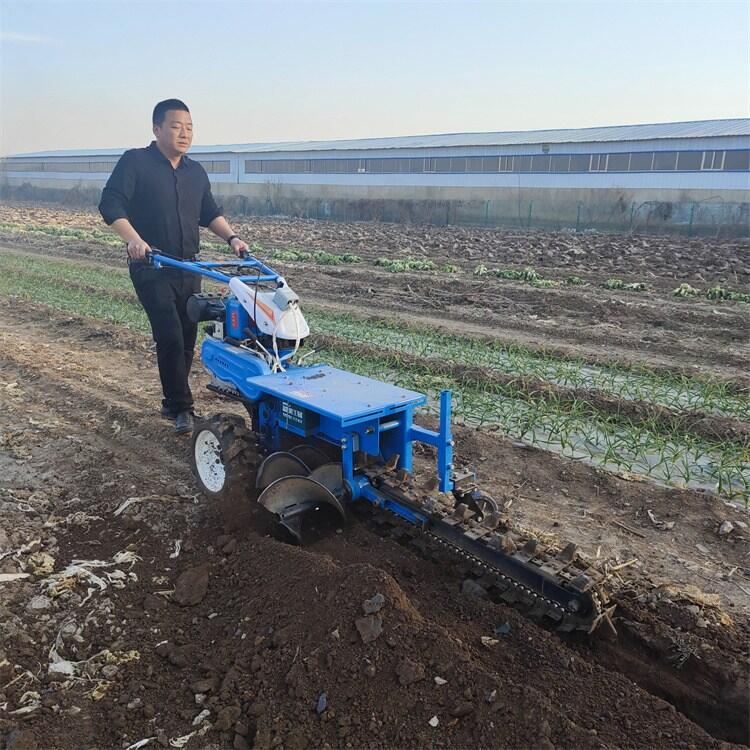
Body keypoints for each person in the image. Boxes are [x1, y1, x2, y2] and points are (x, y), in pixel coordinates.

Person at [99, 99, 248, 435]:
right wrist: (134, 240)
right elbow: (111, 204)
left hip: (188, 266)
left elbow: (209, 212)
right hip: (151, 265)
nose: (184, 133)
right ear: (157, 129)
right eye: (176, 126)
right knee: (168, 332)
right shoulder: (135, 162)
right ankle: (182, 407)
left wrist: (233, 239)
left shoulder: (195, 172)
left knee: (186, 335)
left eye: (190, 127)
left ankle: (172, 400)